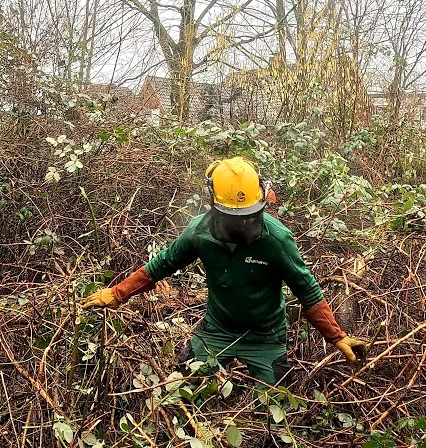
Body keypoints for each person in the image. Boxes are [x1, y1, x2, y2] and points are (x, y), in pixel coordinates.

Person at [83, 156, 367, 383]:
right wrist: (118, 294)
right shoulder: (199, 233)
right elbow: (162, 265)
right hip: (217, 329)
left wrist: (337, 337)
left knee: (277, 408)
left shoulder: (276, 239)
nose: (242, 224)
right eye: (233, 218)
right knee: (182, 387)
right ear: (214, 204)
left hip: (265, 335)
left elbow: (307, 290)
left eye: (248, 217)